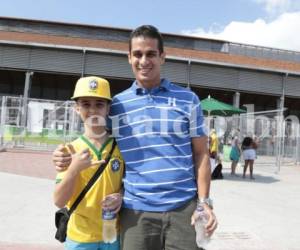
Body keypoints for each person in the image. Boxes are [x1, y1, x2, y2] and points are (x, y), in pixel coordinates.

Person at [53, 25, 217, 250]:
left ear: (162, 57)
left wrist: (205, 202)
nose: (144, 60)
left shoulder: (188, 99)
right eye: (138, 54)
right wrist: (62, 156)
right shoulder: (117, 105)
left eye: (151, 54)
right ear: (129, 58)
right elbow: (95, 136)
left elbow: (201, 154)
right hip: (135, 212)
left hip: (183, 211)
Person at [53, 76, 124, 250]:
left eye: (99, 104)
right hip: (80, 238)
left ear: (108, 109)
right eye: (85, 104)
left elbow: (127, 182)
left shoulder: (120, 147)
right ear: (76, 108)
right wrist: (73, 170)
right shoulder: (69, 150)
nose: (92, 110)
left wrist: (121, 195)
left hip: (111, 235)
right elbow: (59, 201)